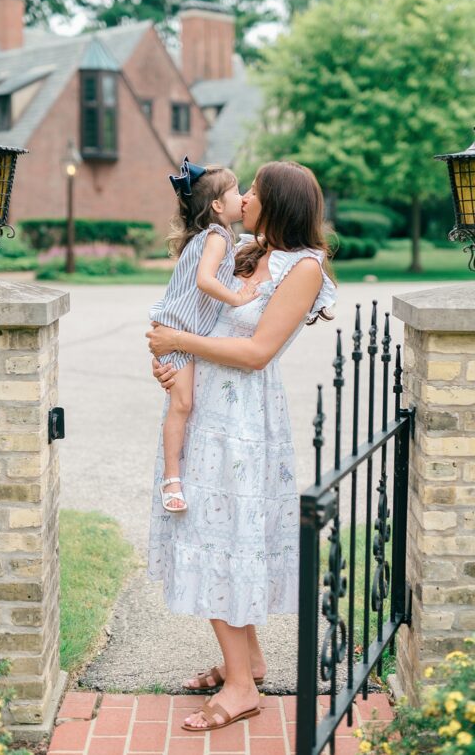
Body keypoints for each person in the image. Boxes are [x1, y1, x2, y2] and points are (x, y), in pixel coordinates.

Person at [145, 160, 336, 733]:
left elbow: (257, 352)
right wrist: (174, 360)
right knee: (208, 531)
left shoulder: (304, 267)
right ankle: (246, 662)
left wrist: (181, 341)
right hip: (206, 412)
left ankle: (239, 690)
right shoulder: (244, 250)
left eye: (254, 189)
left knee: (220, 536)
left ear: (279, 203)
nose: (245, 197)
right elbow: (199, 300)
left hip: (243, 421)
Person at [149, 157, 259, 514]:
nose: (242, 197)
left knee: (182, 404)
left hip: (178, 329)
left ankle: (175, 476)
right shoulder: (215, 236)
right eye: (236, 191)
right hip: (177, 329)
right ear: (216, 205)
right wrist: (238, 297)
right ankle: (172, 480)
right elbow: (205, 281)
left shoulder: (218, 236)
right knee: (182, 405)